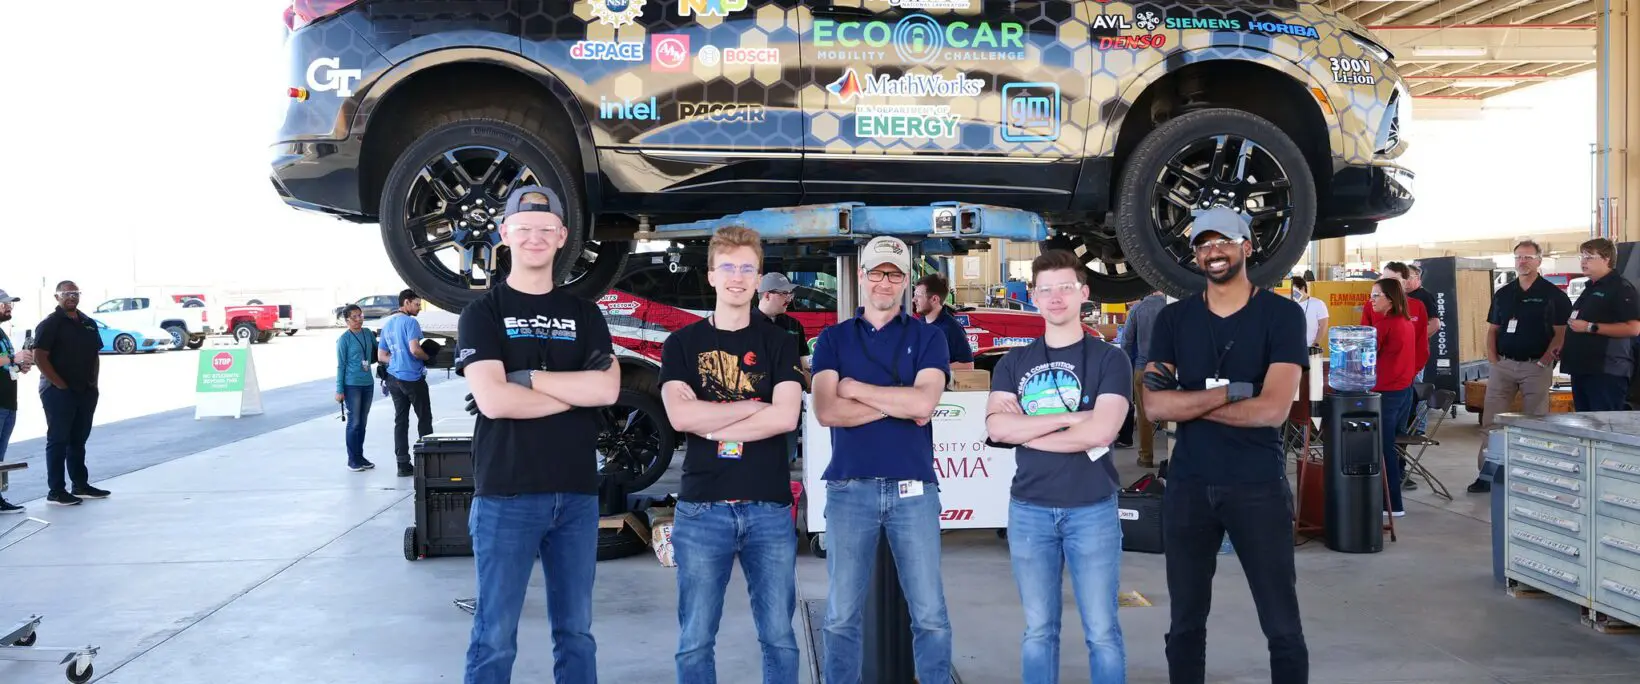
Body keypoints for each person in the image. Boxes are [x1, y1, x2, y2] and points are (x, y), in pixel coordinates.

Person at [457, 186, 621, 684]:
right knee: (495, 634)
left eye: (546, 229)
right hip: (506, 493)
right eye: (524, 229)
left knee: (576, 632)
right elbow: (494, 401)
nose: (535, 238)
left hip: (576, 494)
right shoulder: (481, 314)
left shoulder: (586, 315)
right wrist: (576, 394)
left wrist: (528, 378)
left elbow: (609, 389)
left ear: (562, 237)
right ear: (504, 234)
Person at [1142, 207, 1309, 683]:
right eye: (1202, 244)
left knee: (1281, 623)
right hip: (1189, 487)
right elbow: (1154, 407)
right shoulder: (1174, 319)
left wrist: (1187, 402)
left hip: (1257, 486)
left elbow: (1272, 410)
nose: (1212, 251)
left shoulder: (1281, 315)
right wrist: (1228, 392)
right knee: (1185, 624)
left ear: (1247, 247)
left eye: (1223, 241)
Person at [659, 226, 805, 684]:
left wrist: (712, 415)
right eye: (728, 267)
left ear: (759, 276)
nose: (737, 277)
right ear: (711, 275)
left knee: (779, 635)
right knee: (696, 638)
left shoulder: (779, 342)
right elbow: (680, 419)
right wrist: (750, 406)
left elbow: (785, 418)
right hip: (702, 509)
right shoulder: (681, 344)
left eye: (747, 268)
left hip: (769, 507)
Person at [984, 249, 1132, 683]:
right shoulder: (1012, 362)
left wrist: (1026, 429)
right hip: (1029, 511)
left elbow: (1101, 433)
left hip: (1092, 510)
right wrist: (1070, 419)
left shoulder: (1111, 360)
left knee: (1102, 631)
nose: (1055, 298)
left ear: (1083, 294)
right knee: (1038, 631)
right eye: (1046, 290)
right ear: (1032, 297)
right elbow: (996, 427)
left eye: (1065, 288)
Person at [811, 235, 953, 684]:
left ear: (906, 280)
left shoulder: (929, 337)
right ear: (861, 277)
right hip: (849, 488)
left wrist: (856, 389)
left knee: (930, 614)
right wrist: (899, 402)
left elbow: (924, 406)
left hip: (915, 490)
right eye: (877, 272)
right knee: (839, 615)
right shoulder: (833, 339)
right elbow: (826, 411)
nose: (885, 282)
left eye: (894, 274)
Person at [1468, 240, 1568, 494]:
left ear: (1539, 261)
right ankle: (1487, 475)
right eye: (1518, 257)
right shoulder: (1504, 293)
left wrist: (1546, 360)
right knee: (1492, 423)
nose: (1522, 262)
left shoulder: (1553, 295)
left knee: (1535, 422)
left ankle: (1531, 474)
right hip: (1504, 365)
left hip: (1535, 367)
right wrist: (1493, 358)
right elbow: (1493, 329)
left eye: (1528, 257)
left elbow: (1561, 333)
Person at [33, 280, 110, 507]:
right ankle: (56, 490)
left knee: (78, 439)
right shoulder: (51, 323)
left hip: (85, 391)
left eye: (75, 293)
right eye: (66, 293)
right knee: (58, 439)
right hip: (57, 392)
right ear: (57, 297)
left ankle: (80, 485)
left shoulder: (88, 323)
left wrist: (93, 383)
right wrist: (60, 385)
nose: (71, 297)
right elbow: (39, 356)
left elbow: (95, 354)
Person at [1562, 238, 1640, 411]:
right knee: (1586, 425)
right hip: (1582, 368)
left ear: (1606, 259)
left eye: (1589, 257)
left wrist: (1591, 327)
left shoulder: (1620, 288)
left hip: (1606, 371)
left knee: (1604, 425)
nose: (1583, 262)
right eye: (1582, 257)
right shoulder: (1589, 288)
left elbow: (1633, 328)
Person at [1368, 278, 1418, 518]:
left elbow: (1365, 356)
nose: (1372, 300)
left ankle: (1392, 504)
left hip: (1386, 393)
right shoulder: (1406, 323)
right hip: (1402, 392)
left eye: (1376, 295)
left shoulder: (1385, 325)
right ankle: (1392, 501)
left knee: (1383, 448)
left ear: (1390, 298)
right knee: (1390, 448)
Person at [380, 287, 432, 477]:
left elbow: (382, 355)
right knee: (424, 418)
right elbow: (414, 349)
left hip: (393, 378)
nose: (419, 308)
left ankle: (403, 465)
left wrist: (396, 361)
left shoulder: (388, 324)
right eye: (417, 304)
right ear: (406, 303)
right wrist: (426, 357)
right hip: (412, 378)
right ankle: (428, 462)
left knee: (401, 421)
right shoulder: (411, 322)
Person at [1119, 289, 1166, 466]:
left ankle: (1146, 457)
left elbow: (1126, 343)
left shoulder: (1137, 309)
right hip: (1170, 368)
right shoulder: (1173, 306)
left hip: (1143, 368)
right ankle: (1177, 457)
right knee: (1176, 411)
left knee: (1144, 415)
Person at [0, 289, 35, 514]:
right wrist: (14, 358)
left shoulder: (2, 332)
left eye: (10, 304)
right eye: (3, 303)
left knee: (0, 457)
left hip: (8, 401)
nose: (8, 307)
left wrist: (20, 365)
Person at [335, 304, 379, 472]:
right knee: (354, 422)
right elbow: (341, 366)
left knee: (363, 422)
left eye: (360, 316)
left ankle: (360, 456)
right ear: (347, 320)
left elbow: (377, 352)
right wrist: (339, 390)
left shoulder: (367, 333)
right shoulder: (344, 340)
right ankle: (352, 459)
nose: (359, 319)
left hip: (367, 383)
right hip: (351, 384)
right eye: (355, 317)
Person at [913, 273, 976, 371]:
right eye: (914, 295)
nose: (914, 299)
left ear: (934, 299)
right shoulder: (920, 322)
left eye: (918, 295)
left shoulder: (951, 328)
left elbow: (968, 365)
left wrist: (931, 368)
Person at [1289, 275, 1329, 350]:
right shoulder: (1288, 304)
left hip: (1309, 346)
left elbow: (1323, 325)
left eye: (1293, 290)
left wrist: (1315, 344)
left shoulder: (1318, 303)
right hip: (1290, 347)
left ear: (1303, 288)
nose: (1292, 293)